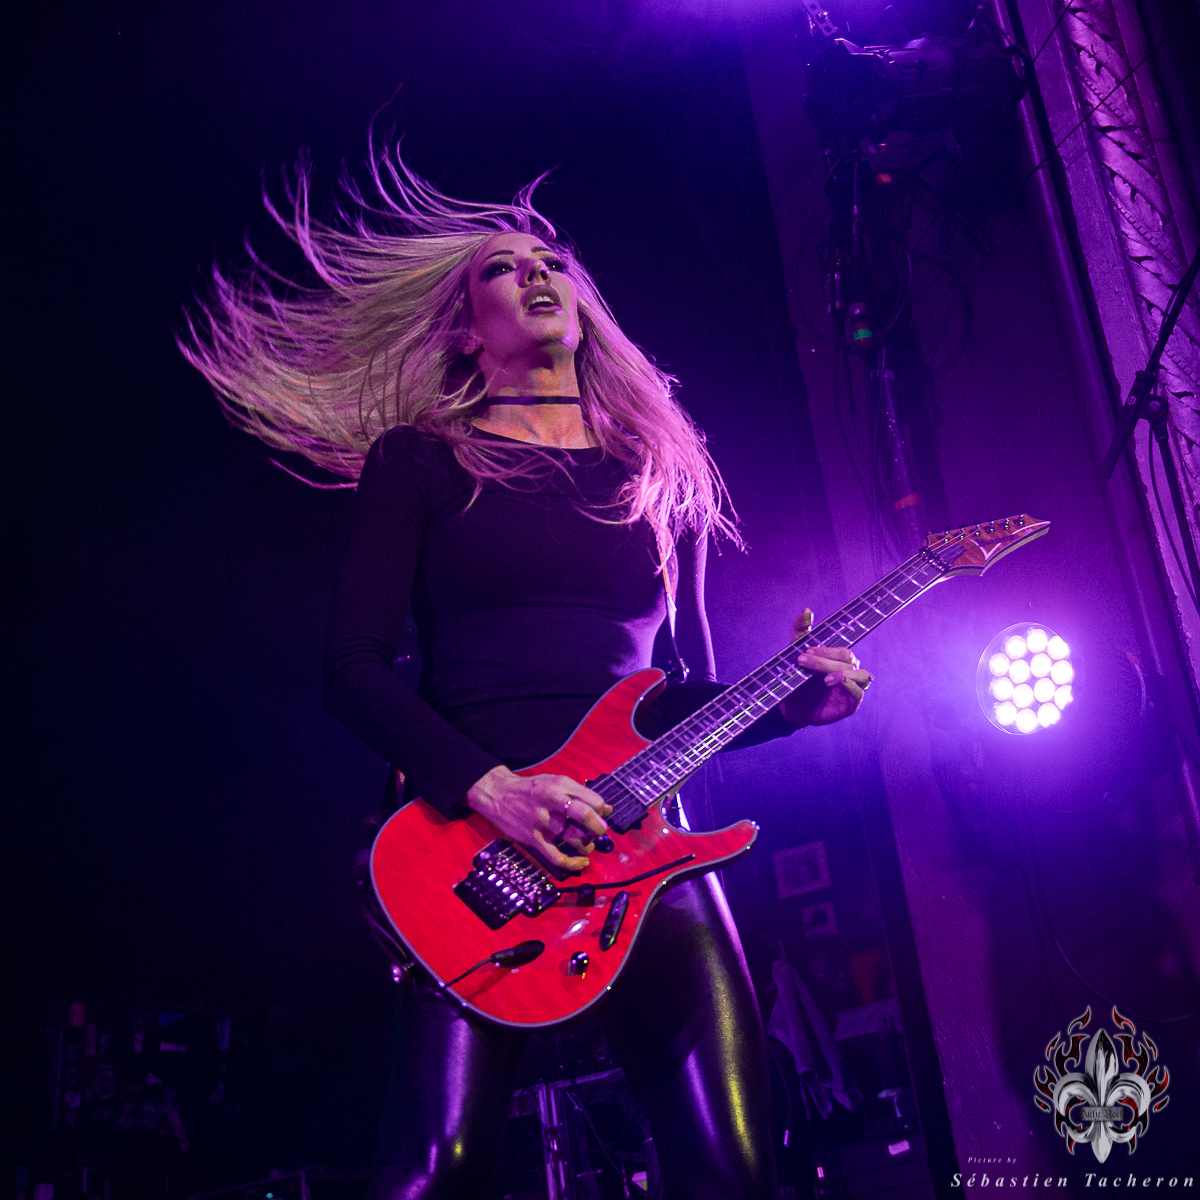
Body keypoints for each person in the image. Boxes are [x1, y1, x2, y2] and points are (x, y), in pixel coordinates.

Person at [182, 144, 872, 1200]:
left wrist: (794, 705)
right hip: (474, 854)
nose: (537, 272)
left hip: (644, 851)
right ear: (468, 328)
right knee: (436, 1173)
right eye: (502, 269)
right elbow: (353, 669)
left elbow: (680, 692)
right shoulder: (421, 458)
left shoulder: (653, 471)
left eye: (550, 260)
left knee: (735, 1171)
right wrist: (496, 791)